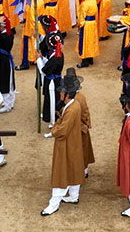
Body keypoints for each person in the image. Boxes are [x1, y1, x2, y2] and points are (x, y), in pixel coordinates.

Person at [41, 73, 86, 216]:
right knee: (74, 167)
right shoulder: (74, 104)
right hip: (73, 143)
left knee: (61, 173)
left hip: (66, 143)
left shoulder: (71, 109)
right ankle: (74, 195)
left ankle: (54, 204)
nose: (60, 93)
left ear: (67, 94)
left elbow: (62, 129)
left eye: (62, 91)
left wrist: (54, 130)